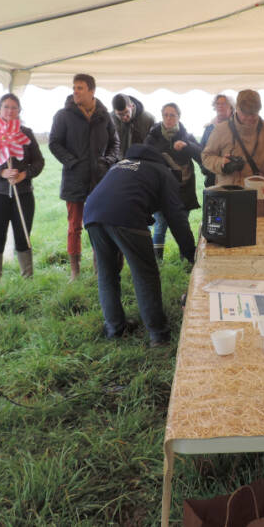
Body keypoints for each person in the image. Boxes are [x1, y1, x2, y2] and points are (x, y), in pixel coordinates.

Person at [84, 144, 196, 347]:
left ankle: (114, 328)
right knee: (145, 274)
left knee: (107, 273)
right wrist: (191, 254)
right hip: (127, 215)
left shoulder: (121, 164)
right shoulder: (163, 172)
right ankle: (158, 335)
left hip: (92, 214)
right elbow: (176, 217)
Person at [49, 73, 120, 281]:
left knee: (100, 223)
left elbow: (114, 143)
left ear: (91, 91)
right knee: (74, 226)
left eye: (80, 88)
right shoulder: (63, 115)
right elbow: (54, 143)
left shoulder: (104, 115)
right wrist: (72, 162)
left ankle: (101, 267)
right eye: (74, 88)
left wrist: (107, 161)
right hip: (74, 179)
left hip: (100, 179)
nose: (75, 92)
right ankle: (75, 271)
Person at [0, 94, 45, 279]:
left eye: (14, 107)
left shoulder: (26, 132)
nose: (10, 111)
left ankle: (27, 278)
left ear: (19, 111)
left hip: (22, 194)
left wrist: (25, 174)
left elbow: (39, 162)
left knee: (23, 236)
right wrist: (0, 173)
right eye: (6, 107)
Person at [201, 89, 264, 200]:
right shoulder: (221, 130)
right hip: (228, 195)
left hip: (258, 197)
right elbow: (206, 156)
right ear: (237, 108)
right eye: (245, 114)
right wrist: (221, 163)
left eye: (253, 114)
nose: (249, 118)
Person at [145, 102, 202, 261]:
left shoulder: (186, 136)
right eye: (166, 115)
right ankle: (158, 261)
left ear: (179, 117)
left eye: (172, 115)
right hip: (161, 189)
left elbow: (201, 155)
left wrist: (187, 146)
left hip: (184, 189)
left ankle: (186, 259)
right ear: (162, 116)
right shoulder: (153, 137)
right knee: (160, 225)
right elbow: (146, 158)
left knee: (183, 225)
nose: (169, 118)